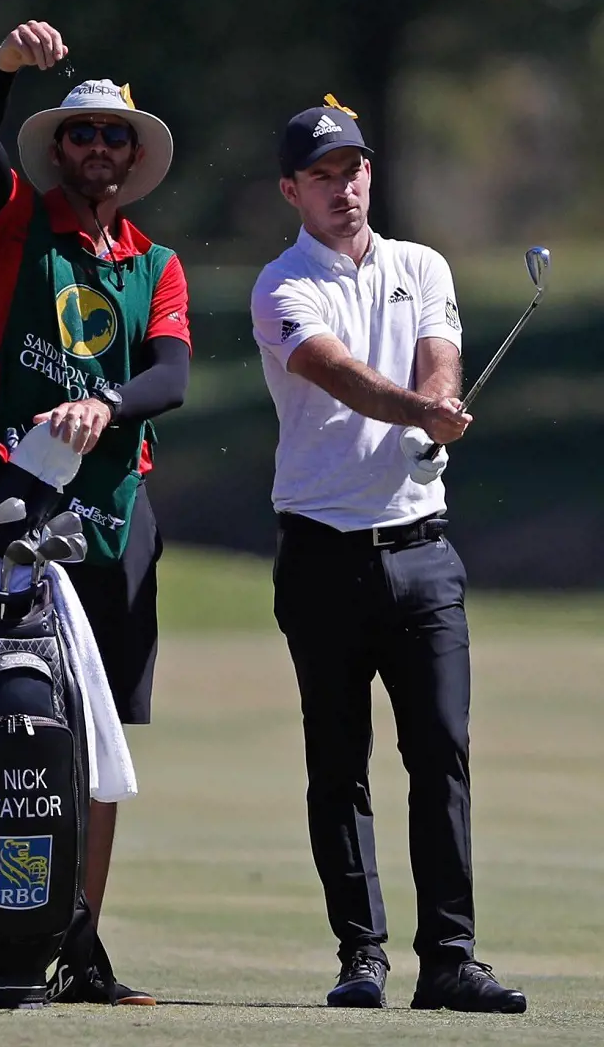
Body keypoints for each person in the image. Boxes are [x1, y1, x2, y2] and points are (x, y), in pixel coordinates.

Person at [250, 98, 526, 1014]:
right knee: (339, 761)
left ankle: (448, 957)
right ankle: (360, 957)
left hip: (424, 553)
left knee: (441, 753)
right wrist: (419, 412)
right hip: (323, 553)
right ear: (292, 190)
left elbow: (436, 356)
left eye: (354, 169)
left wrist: (436, 401)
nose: (345, 188)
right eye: (323, 176)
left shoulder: (422, 266)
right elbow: (330, 368)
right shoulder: (283, 285)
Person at [0, 19, 192, 1004]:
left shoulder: (155, 261)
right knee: (4, 719)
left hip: (115, 511)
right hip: (18, 500)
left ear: (133, 158)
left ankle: (79, 943)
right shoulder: (15, 222)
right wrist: (1, 71)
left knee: (99, 739)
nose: (98, 149)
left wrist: (109, 402)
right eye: (82, 135)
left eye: (114, 138)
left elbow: (170, 374)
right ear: (59, 149)